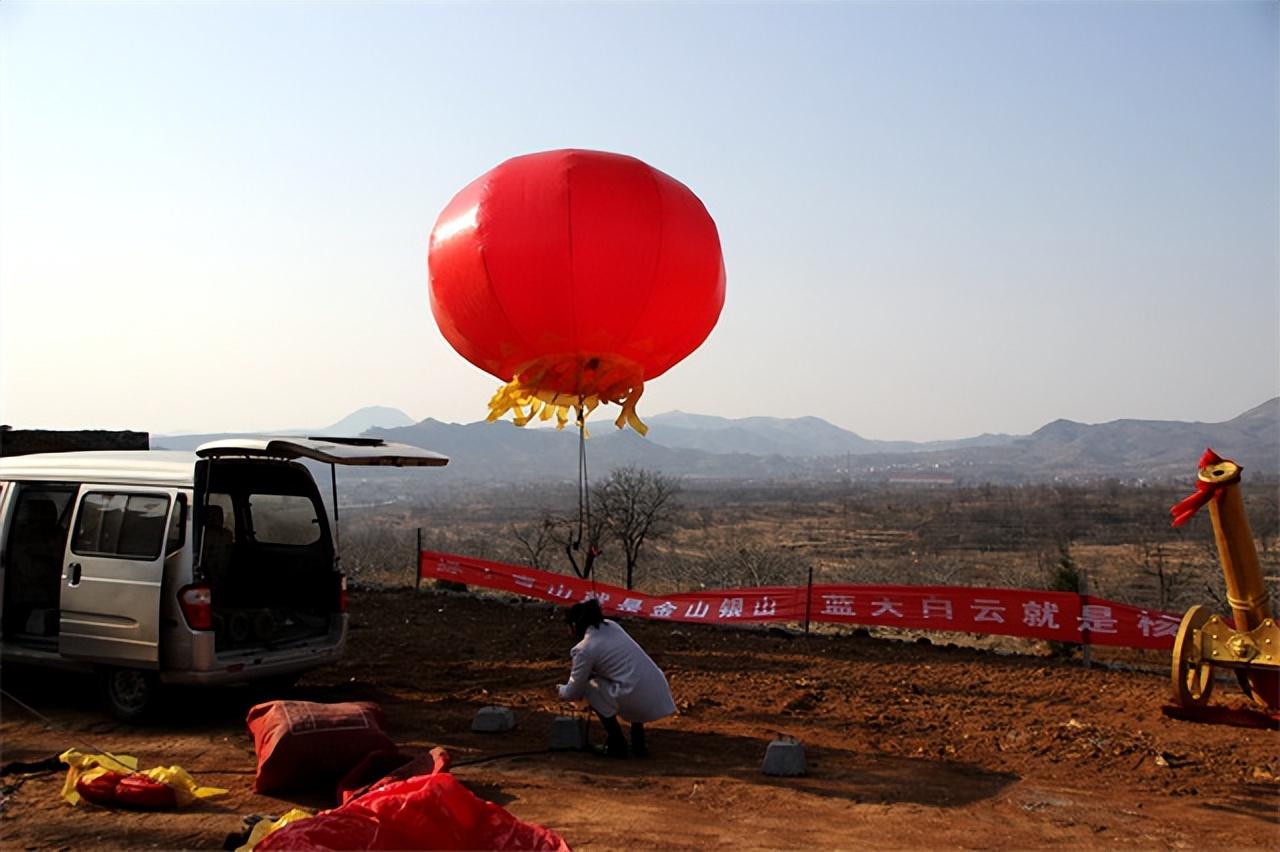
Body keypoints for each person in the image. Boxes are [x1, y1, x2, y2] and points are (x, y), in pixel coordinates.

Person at [558, 599, 676, 758]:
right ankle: (638, 743)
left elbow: (573, 691)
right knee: (627, 676)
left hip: (637, 697)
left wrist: (560, 690)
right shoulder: (613, 626)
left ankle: (617, 743)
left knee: (589, 687)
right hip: (657, 690)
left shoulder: (584, 649)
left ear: (574, 625)